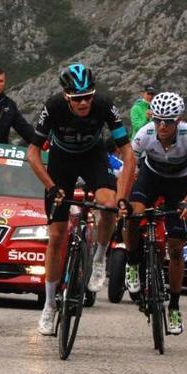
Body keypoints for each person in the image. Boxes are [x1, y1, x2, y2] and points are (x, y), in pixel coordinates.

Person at [27, 63, 136, 336]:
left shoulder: (103, 105)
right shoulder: (53, 107)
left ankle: (99, 257)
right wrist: (51, 187)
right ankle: (49, 305)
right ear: (66, 96)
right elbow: (32, 154)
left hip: (92, 157)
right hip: (61, 162)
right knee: (56, 236)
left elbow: (127, 153)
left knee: (108, 205)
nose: (84, 103)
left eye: (88, 96)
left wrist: (123, 198)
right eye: (77, 99)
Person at [123, 92, 187, 335]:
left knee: (177, 247)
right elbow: (129, 167)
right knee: (133, 215)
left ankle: (174, 306)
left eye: (168, 121)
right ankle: (132, 263)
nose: (162, 125)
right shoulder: (145, 134)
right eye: (158, 119)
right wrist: (122, 198)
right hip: (150, 178)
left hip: (180, 184)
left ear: (178, 120)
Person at [0, 67, 33, 144]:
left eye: (1, 81)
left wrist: (39, 141)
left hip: (0, 149)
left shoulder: (10, 105)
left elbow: (23, 128)